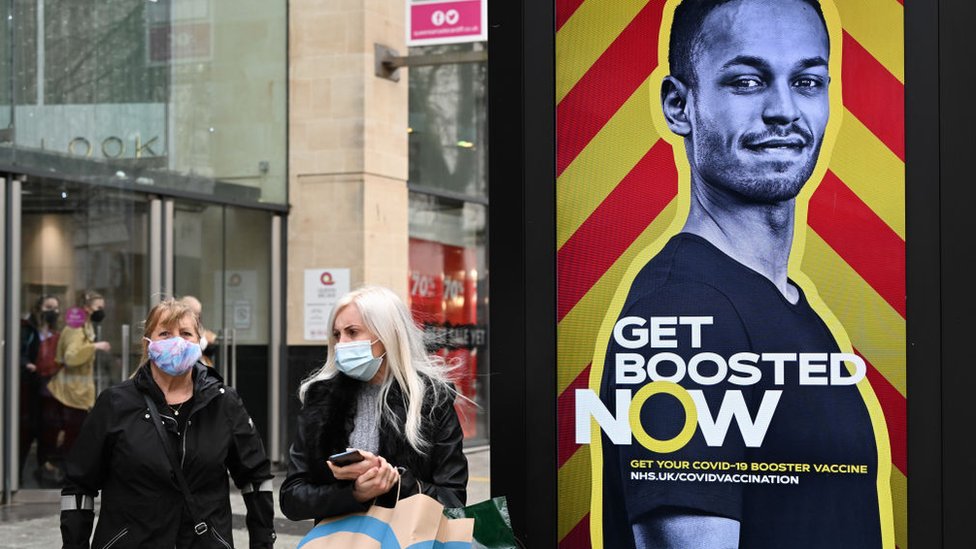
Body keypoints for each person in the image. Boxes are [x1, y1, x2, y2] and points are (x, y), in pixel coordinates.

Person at [597, 0, 889, 547]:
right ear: (680, 105)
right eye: (748, 80)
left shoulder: (785, 301)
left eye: (807, 81)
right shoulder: (682, 311)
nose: (784, 110)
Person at [60, 297, 276, 549]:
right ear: (148, 344)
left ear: (199, 342)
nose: (177, 342)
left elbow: (255, 477)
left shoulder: (224, 403)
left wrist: (262, 543)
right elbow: (79, 485)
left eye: (186, 333)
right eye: (165, 333)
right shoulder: (115, 404)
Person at [279, 285, 468, 523]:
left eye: (353, 332)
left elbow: (453, 501)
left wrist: (394, 480)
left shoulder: (430, 401)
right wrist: (354, 493)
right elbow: (291, 498)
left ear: (387, 335)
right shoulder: (322, 400)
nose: (341, 343)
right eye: (337, 335)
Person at [47, 290, 110, 480]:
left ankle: (62, 469)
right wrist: (95, 347)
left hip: (77, 391)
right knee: (73, 435)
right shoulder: (76, 327)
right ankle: (65, 472)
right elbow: (70, 356)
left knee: (73, 434)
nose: (101, 312)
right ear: (88, 307)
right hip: (71, 392)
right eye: (99, 307)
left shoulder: (85, 325)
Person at [19, 294, 62, 485]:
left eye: (55, 308)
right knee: (25, 434)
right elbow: (18, 352)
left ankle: (43, 476)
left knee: (47, 434)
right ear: (38, 309)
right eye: (48, 307)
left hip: (49, 389)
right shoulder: (27, 331)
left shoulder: (57, 335)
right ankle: (17, 476)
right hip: (28, 388)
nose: (52, 311)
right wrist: (26, 364)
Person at [179, 295, 219, 366]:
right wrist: (206, 340)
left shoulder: (196, 324)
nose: (197, 317)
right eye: (195, 313)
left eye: (198, 314)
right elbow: (187, 349)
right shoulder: (179, 325)